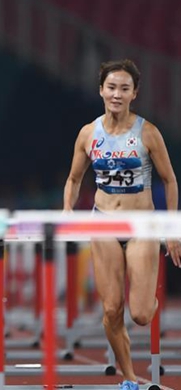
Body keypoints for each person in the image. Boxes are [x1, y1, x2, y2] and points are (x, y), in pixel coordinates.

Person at [63, 59, 181, 390]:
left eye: (124, 89)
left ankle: (149, 298)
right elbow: (74, 178)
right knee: (112, 309)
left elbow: (170, 180)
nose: (117, 94)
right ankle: (129, 379)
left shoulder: (148, 133)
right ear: (101, 90)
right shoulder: (88, 133)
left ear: (134, 94)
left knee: (141, 314)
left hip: (141, 224)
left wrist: (171, 228)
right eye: (111, 87)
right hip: (102, 223)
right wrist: (67, 211)